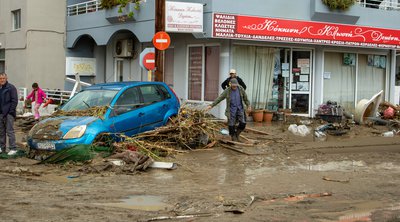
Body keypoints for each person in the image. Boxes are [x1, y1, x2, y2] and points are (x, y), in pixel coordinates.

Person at [0, 73, 19, 155]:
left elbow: (14, 101)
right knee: (1, 132)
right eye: (0, 78)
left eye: (3, 78)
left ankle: (13, 148)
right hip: (0, 113)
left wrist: (10, 112)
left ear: (6, 78)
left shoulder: (11, 88)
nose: (2, 80)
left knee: (10, 131)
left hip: (9, 114)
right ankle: (2, 148)